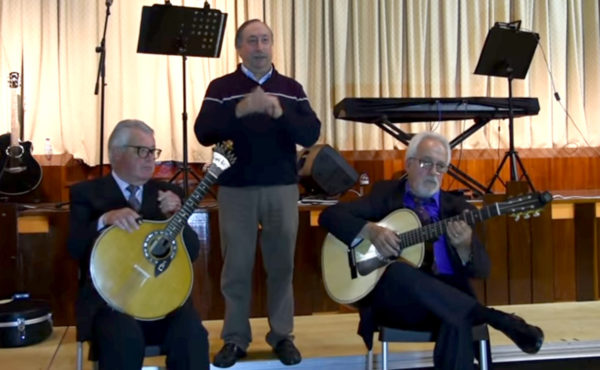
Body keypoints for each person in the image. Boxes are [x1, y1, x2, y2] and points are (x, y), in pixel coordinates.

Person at [318, 132, 544, 369]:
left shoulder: (459, 209)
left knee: (456, 319)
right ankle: (496, 318)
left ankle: (488, 316)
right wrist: (371, 231)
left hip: (447, 304)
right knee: (397, 271)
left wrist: (465, 246)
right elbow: (330, 216)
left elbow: (483, 270)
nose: (433, 172)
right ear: (409, 164)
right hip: (397, 306)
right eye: (426, 163)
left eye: (440, 166)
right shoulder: (385, 194)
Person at [194, 19, 321, 368]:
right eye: (252, 41)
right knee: (236, 267)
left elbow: (310, 132)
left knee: (281, 266)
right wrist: (239, 110)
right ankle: (235, 339)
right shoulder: (222, 87)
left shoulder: (291, 88)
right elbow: (203, 132)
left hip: (281, 187)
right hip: (236, 189)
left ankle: (282, 336)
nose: (260, 47)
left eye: (265, 40)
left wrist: (280, 113)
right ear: (239, 48)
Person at [68, 119, 209, 370]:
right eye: (141, 151)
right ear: (116, 153)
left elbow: (192, 252)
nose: (150, 159)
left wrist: (175, 217)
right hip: (111, 303)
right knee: (124, 338)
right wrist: (104, 219)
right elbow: (75, 248)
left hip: (161, 300)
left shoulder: (165, 193)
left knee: (192, 333)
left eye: (153, 151)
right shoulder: (87, 194)